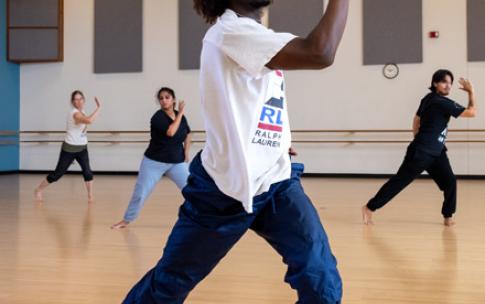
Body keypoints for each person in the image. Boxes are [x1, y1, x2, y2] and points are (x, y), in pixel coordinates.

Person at [122, 0, 349, 303]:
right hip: (222, 193)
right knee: (168, 284)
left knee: (321, 283)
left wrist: (276, 140)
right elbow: (320, 51)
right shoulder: (231, 32)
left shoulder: (252, 34)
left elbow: (255, 102)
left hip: (277, 183)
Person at [362, 70, 477, 226]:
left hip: (437, 152)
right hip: (422, 152)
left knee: (450, 181)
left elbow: (416, 120)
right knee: (400, 181)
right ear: (435, 83)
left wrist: (420, 138)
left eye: (450, 83)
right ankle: (369, 208)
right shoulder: (441, 102)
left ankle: (448, 216)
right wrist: (471, 92)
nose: (448, 86)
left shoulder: (428, 99)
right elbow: (472, 112)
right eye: (444, 82)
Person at [111, 87, 191, 229]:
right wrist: (182, 112)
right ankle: (126, 220)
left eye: (167, 97)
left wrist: (186, 153)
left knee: (192, 188)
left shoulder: (180, 116)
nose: (164, 100)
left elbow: (188, 134)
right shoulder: (158, 117)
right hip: (154, 162)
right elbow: (171, 132)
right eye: (161, 98)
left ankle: (203, 217)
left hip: (176, 162)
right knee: (141, 192)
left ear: (173, 99)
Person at [34, 90, 101, 203]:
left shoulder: (83, 111)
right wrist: (99, 107)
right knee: (57, 174)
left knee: (88, 172)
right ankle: (38, 190)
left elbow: (85, 124)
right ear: (73, 102)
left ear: (84, 100)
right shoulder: (74, 113)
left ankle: (90, 195)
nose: (79, 101)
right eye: (76, 99)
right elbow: (89, 120)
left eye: (80, 99)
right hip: (69, 149)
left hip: (82, 148)